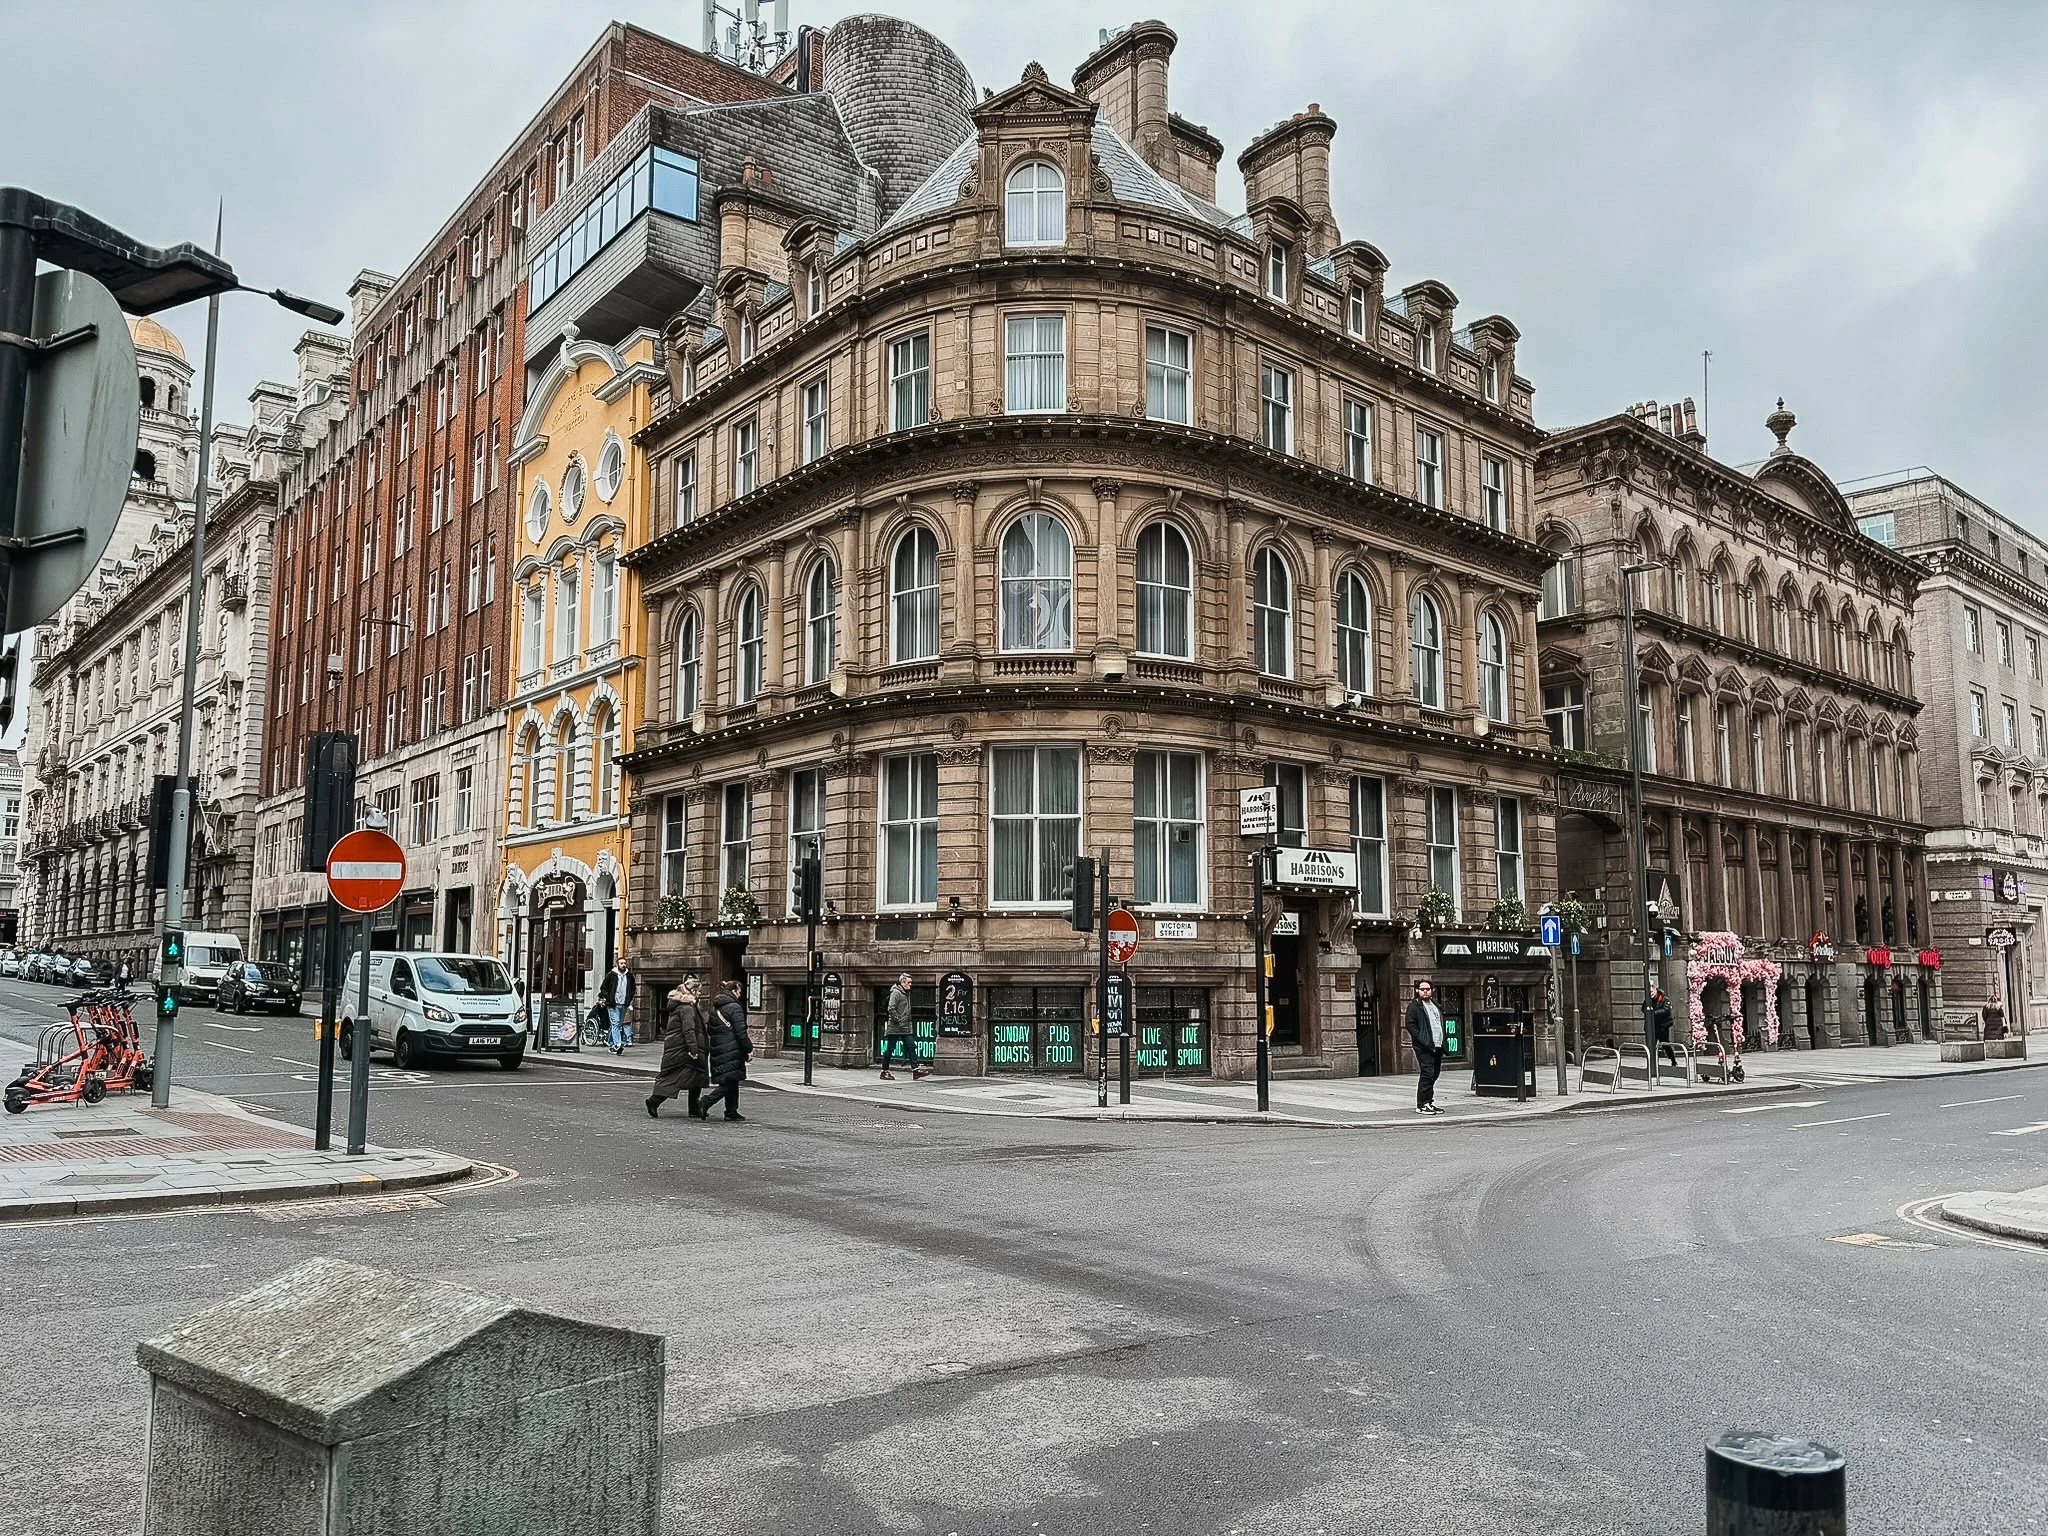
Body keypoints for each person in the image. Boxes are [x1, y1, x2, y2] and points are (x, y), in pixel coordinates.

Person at [647, 978, 709, 1120]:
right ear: (693, 991)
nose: (699, 993)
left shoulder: (684, 1006)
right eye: (698, 991)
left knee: (696, 1077)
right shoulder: (687, 1008)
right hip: (683, 1049)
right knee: (675, 1079)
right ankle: (654, 1101)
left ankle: (694, 1109)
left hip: (681, 1047)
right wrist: (693, 1049)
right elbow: (689, 1030)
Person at [700, 977, 752, 1121]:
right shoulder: (735, 1007)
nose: (740, 995)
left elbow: (710, 1029)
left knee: (732, 1080)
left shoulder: (716, 1007)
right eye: (739, 992)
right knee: (728, 1082)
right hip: (732, 1048)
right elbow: (741, 1032)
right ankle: (706, 1101)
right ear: (734, 991)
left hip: (718, 1047)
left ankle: (731, 1111)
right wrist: (748, 1048)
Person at [1405, 977, 1446, 1115]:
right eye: (1422, 989)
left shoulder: (1435, 1005)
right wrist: (1422, 1038)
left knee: (1434, 1073)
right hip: (1424, 1046)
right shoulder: (1414, 1006)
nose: (1425, 992)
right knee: (1427, 1073)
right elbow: (1410, 1025)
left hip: (1437, 1045)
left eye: (1427, 989)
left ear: (1432, 990)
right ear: (1417, 991)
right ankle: (1421, 1104)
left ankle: (1429, 1101)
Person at [880, 972, 927, 1080]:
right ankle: (884, 1071)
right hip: (896, 1026)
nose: (910, 984)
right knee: (890, 1049)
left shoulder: (906, 993)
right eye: (908, 982)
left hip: (905, 1026)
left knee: (911, 1046)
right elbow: (891, 1008)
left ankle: (915, 1070)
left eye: (911, 982)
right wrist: (898, 1019)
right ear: (902, 982)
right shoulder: (896, 992)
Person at [600, 958, 637, 1053]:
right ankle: (618, 1044)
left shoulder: (629, 976)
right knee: (616, 1023)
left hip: (624, 1003)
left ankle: (611, 1044)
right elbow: (603, 988)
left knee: (618, 1024)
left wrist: (629, 1000)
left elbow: (633, 989)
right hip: (613, 1004)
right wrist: (608, 998)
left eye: (624, 963)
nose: (623, 965)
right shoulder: (611, 975)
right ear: (617, 964)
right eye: (621, 963)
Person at [1649, 988, 1676, 1063]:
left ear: (1655, 990)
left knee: (1665, 1044)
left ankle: (1673, 1059)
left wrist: (1654, 1012)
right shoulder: (1648, 1000)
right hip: (1653, 1026)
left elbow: (1666, 1010)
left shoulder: (1664, 999)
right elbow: (1643, 1008)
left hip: (1662, 1026)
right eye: (1649, 992)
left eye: (1652, 991)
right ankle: (1652, 1062)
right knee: (1651, 1045)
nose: (1651, 993)